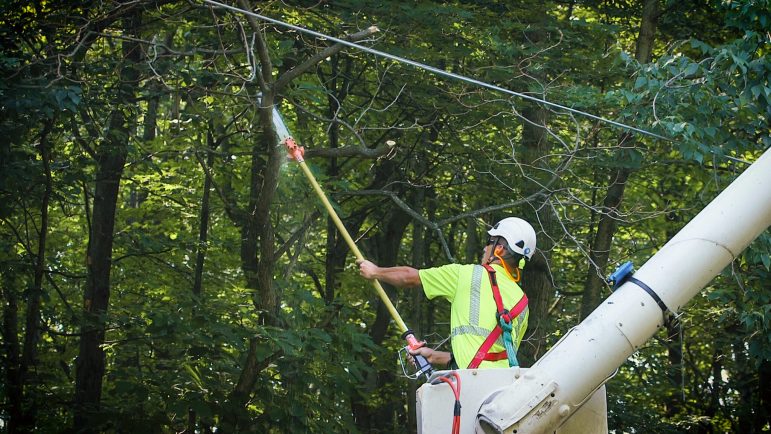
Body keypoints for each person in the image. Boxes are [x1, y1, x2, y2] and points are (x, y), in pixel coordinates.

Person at [358, 217, 536, 370]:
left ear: (500, 248)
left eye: (489, 241)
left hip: (471, 387)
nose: (484, 248)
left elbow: (409, 277)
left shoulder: (466, 275)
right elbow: (495, 355)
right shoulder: (523, 303)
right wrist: (435, 357)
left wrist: (376, 272)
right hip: (505, 389)